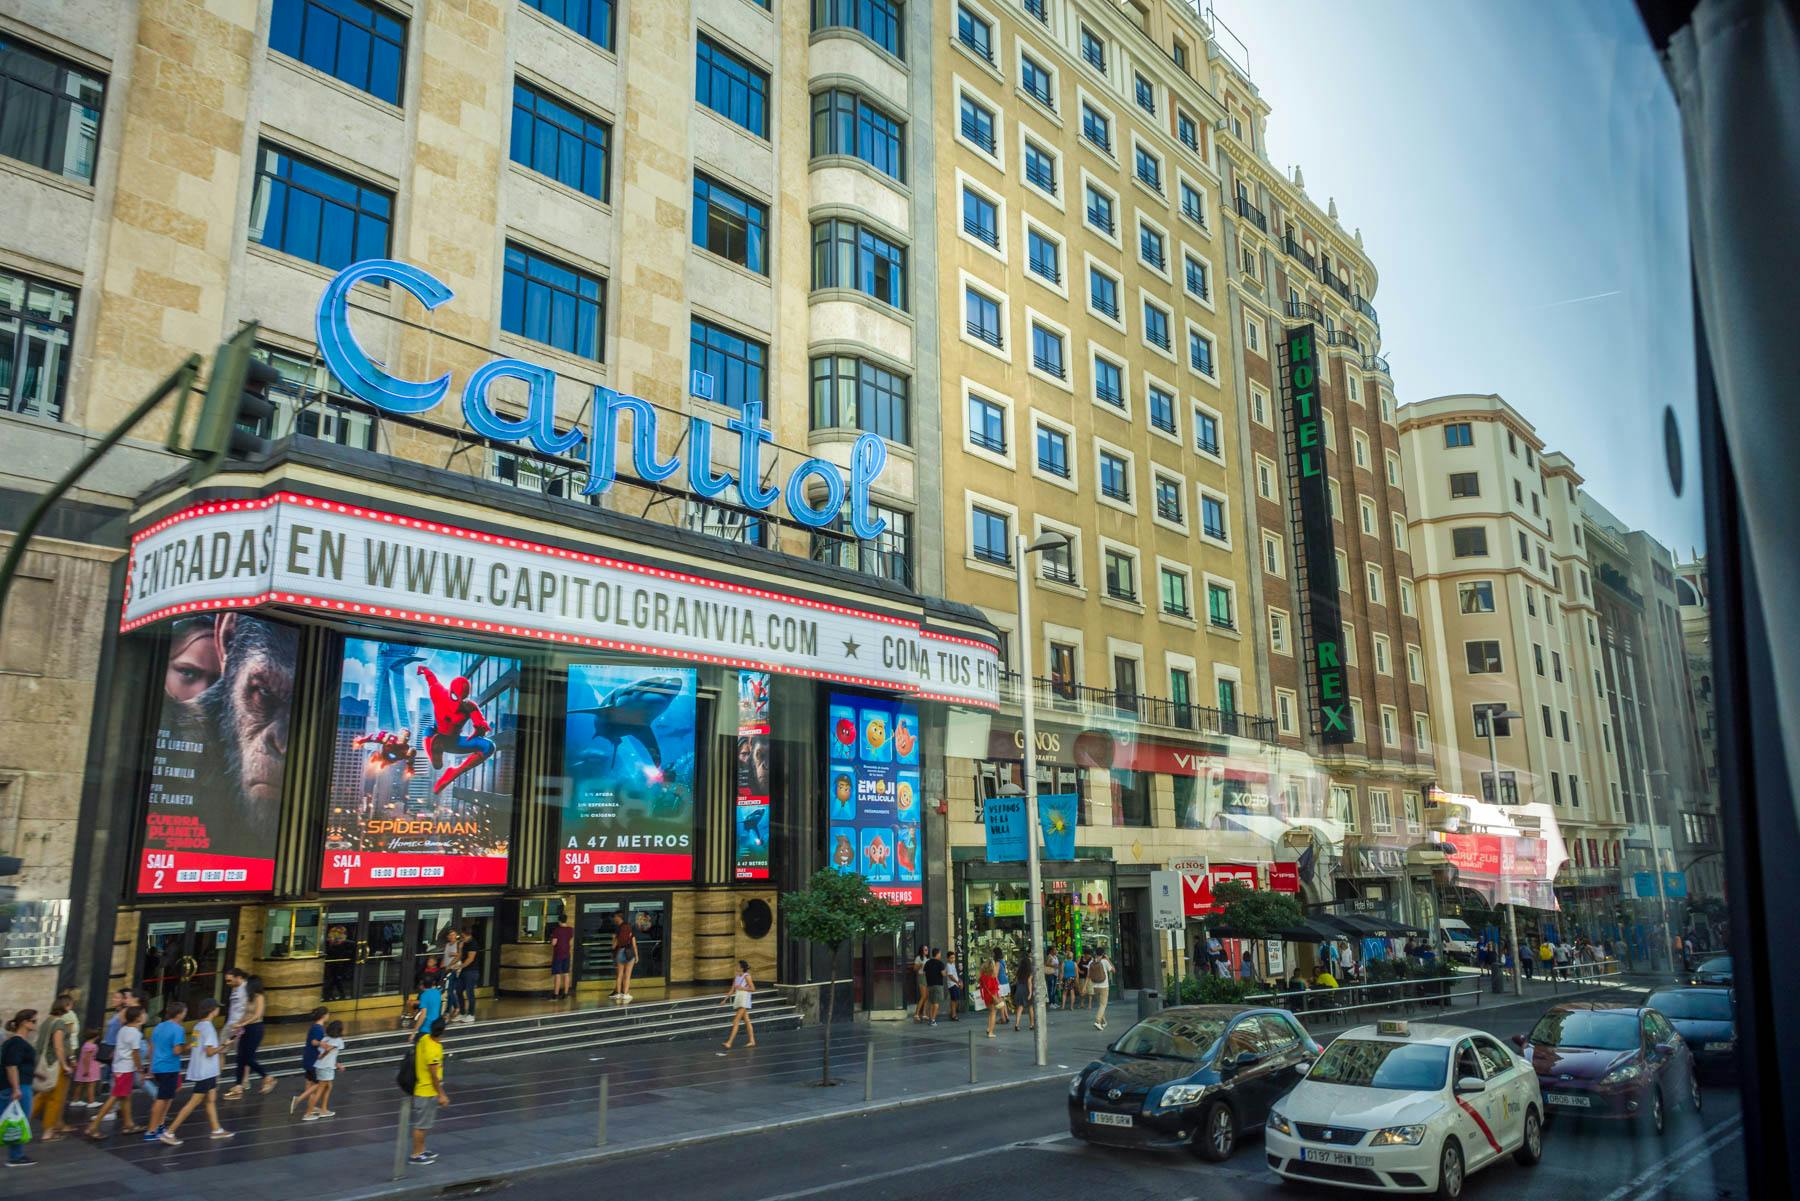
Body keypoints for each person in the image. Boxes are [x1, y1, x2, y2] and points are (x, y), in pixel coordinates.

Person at [160, 998, 230, 1144]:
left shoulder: (198, 1026)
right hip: (206, 1071)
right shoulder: (209, 1028)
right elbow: (210, 1052)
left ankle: (216, 1130)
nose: (219, 1010)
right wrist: (224, 1045)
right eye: (217, 1008)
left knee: (211, 1100)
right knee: (193, 1102)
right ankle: (169, 1132)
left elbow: (194, 1045)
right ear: (212, 1010)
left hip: (203, 1070)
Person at [86, 1005, 146, 1137]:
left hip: (119, 1067)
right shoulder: (135, 1033)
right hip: (126, 1069)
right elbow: (135, 1053)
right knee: (115, 1097)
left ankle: (128, 1124)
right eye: (143, 1013)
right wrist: (141, 1070)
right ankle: (94, 1125)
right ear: (137, 1018)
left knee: (125, 1096)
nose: (145, 1015)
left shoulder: (124, 1029)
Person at [31, 993, 78, 1141]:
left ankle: (23, 1121)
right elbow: (59, 1046)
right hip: (54, 1064)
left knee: (42, 1095)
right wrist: (65, 1065)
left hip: (44, 1062)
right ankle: (48, 1132)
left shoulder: (47, 1021)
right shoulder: (59, 1023)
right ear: (65, 1006)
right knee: (54, 1098)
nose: (71, 1008)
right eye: (70, 1005)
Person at [223, 972, 275, 1098]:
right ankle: (238, 1086)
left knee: (247, 1058)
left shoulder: (259, 996)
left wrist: (243, 1023)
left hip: (256, 1029)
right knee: (240, 1057)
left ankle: (267, 1077)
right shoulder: (249, 997)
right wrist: (237, 1026)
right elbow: (245, 1014)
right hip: (246, 1028)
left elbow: (257, 1015)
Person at [144, 1001, 189, 1142]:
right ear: (180, 1014)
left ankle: (159, 1125)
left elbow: (151, 1046)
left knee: (167, 1097)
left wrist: (151, 1066)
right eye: (184, 1012)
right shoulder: (178, 1029)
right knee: (162, 1099)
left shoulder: (159, 1026)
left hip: (158, 1066)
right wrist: (188, 1047)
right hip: (169, 1067)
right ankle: (151, 1130)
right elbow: (177, 1050)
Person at [409, 1017, 448, 1165]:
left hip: (423, 1089)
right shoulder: (433, 1050)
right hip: (426, 1091)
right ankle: (416, 1154)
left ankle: (421, 1149)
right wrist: (442, 1094)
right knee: (421, 1125)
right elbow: (433, 1075)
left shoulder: (425, 1038)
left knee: (424, 1125)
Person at [2, 1010, 38, 1166]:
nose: (35, 1025)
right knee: (19, 1119)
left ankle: (16, 1155)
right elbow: (11, 1066)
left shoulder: (14, 1042)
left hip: (18, 1084)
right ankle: (16, 1156)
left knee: (14, 1119)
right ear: (24, 1022)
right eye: (34, 1021)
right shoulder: (17, 1042)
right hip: (19, 1086)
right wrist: (16, 1088)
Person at [303, 1021, 346, 1120]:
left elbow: (326, 1051)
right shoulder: (338, 1040)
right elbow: (328, 1050)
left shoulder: (326, 1038)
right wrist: (322, 1056)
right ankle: (308, 1113)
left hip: (320, 1067)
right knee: (320, 1090)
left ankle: (323, 1110)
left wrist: (336, 1064)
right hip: (326, 1068)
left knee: (328, 1087)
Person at [292, 1006, 330, 1116]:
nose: (329, 1016)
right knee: (319, 1084)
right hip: (314, 1061)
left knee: (310, 1082)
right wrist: (322, 1044)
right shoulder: (319, 1028)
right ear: (324, 1016)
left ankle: (311, 1107)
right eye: (328, 1014)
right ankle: (298, 1099)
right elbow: (314, 1042)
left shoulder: (314, 1027)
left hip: (308, 1059)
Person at [720, 960, 757, 1051]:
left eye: (737, 965)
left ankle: (729, 1042)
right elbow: (732, 990)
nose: (736, 966)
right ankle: (752, 1041)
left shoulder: (747, 976)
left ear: (741, 967)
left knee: (736, 1020)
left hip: (744, 1000)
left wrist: (742, 988)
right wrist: (725, 999)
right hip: (739, 999)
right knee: (747, 1021)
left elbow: (753, 989)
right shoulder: (736, 977)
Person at [71, 1027, 101, 1111]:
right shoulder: (92, 1046)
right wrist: (87, 1070)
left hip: (82, 1067)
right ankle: (91, 1102)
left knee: (80, 1084)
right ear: (95, 1037)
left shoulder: (85, 1045)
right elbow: (87, 1059)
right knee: (91, 1084)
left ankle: (75, 1100)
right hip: (90, 1067)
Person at [454, 927, 480, 1023]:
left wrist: (460, 966)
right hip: (464, 971)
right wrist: (460, 947)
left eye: (463, 936)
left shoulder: (473, 944)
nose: (462, 938)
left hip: (472, 971)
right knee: (458, 990)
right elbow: (460, 955)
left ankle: (471, 1014)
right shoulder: (464, 943)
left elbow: (470, 959)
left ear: (468, 935)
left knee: (470, 993)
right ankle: (462, 1012)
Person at [612, 912, 637, 1003]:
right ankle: (625, 994)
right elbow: (634, 944)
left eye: (615, 917)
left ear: (619, 917)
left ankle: (618, 993)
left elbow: (614, 946)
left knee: (620, 974)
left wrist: (614, 939)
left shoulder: (618, 929)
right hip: (629, 952)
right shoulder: (629, 928)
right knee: (627, 975)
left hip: (620, 952)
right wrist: (636, 956)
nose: (614, 919)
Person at [548, 919, 575, 1000]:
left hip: (558, 954)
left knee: (557, 974)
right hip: (567, 953)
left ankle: (556, 994)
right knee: (566, 973)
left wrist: (550, 939)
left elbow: (554, 943)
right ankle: (565, 993)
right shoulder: (570, 929)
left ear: (559, 921)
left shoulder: (557, 930)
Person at [1088, 949, 1114, 1031]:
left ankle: (1104, 1022)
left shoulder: (1091, 962)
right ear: (1103, 954)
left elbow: (1089, 975)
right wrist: (1108, 959)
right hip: (1104, 986)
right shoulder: (1105, 961)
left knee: (1100, 1005)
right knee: (1103, 1005)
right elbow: (1113, 970)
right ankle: (1098, 1021)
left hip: (1095, 986)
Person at [922, 947, 947, 1026]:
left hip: (929, 985)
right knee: (936, 1003)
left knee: (931, 1002)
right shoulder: (940, 963)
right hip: (938, 985)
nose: (940, 955)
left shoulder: (928, 962)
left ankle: (930, 1018)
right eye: (940, 953)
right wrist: (946, 971)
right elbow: (943, 974)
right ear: (938, 954)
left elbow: (924, 972)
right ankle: (933, 1020)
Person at [1011, 957, 1036, 1032]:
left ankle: (1017, 1024)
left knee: (1020, 1007)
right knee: (1030, 1007)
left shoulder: (1019, 971)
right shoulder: (1030, 971)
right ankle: (1032, 1024)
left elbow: (1016, 981)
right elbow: (1029, 981)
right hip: (1026, 989)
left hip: (1019, 989)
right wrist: (1030, 992)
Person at [979, 960, 1003, 1039]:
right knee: (993, 1013)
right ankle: (991, 1032)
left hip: (986, 995)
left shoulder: (982, 975)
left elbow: (981, 985)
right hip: (992, 995)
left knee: (991, 1012)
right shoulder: (993, 975)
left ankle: (989, 1028)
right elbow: (995, 987)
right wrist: (997, 997)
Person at [911, 946, 930, 1023]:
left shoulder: (927, 958)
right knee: (923, 996)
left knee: (927, 996)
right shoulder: (918, 958)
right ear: (922, 951)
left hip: (927, 977)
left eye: (927, 949)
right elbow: (914, 969)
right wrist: (920, 965)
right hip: (921, 976)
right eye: (925, 950)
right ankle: (916, 1014)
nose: (927, 951)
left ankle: (924, 1014)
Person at [943, 950, 963, 1021]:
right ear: (948, 958)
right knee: (954, 1000)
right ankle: (953, 1015)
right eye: (951, 958)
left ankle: (952, 1013)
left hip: (955, 984)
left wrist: (959, 981)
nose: (953, 959)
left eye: (954, 958)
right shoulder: (948, 965)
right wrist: (957, 982)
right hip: (952, 985)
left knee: (955, 1000)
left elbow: (954, 974)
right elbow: (950, 975)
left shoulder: (952, 965)